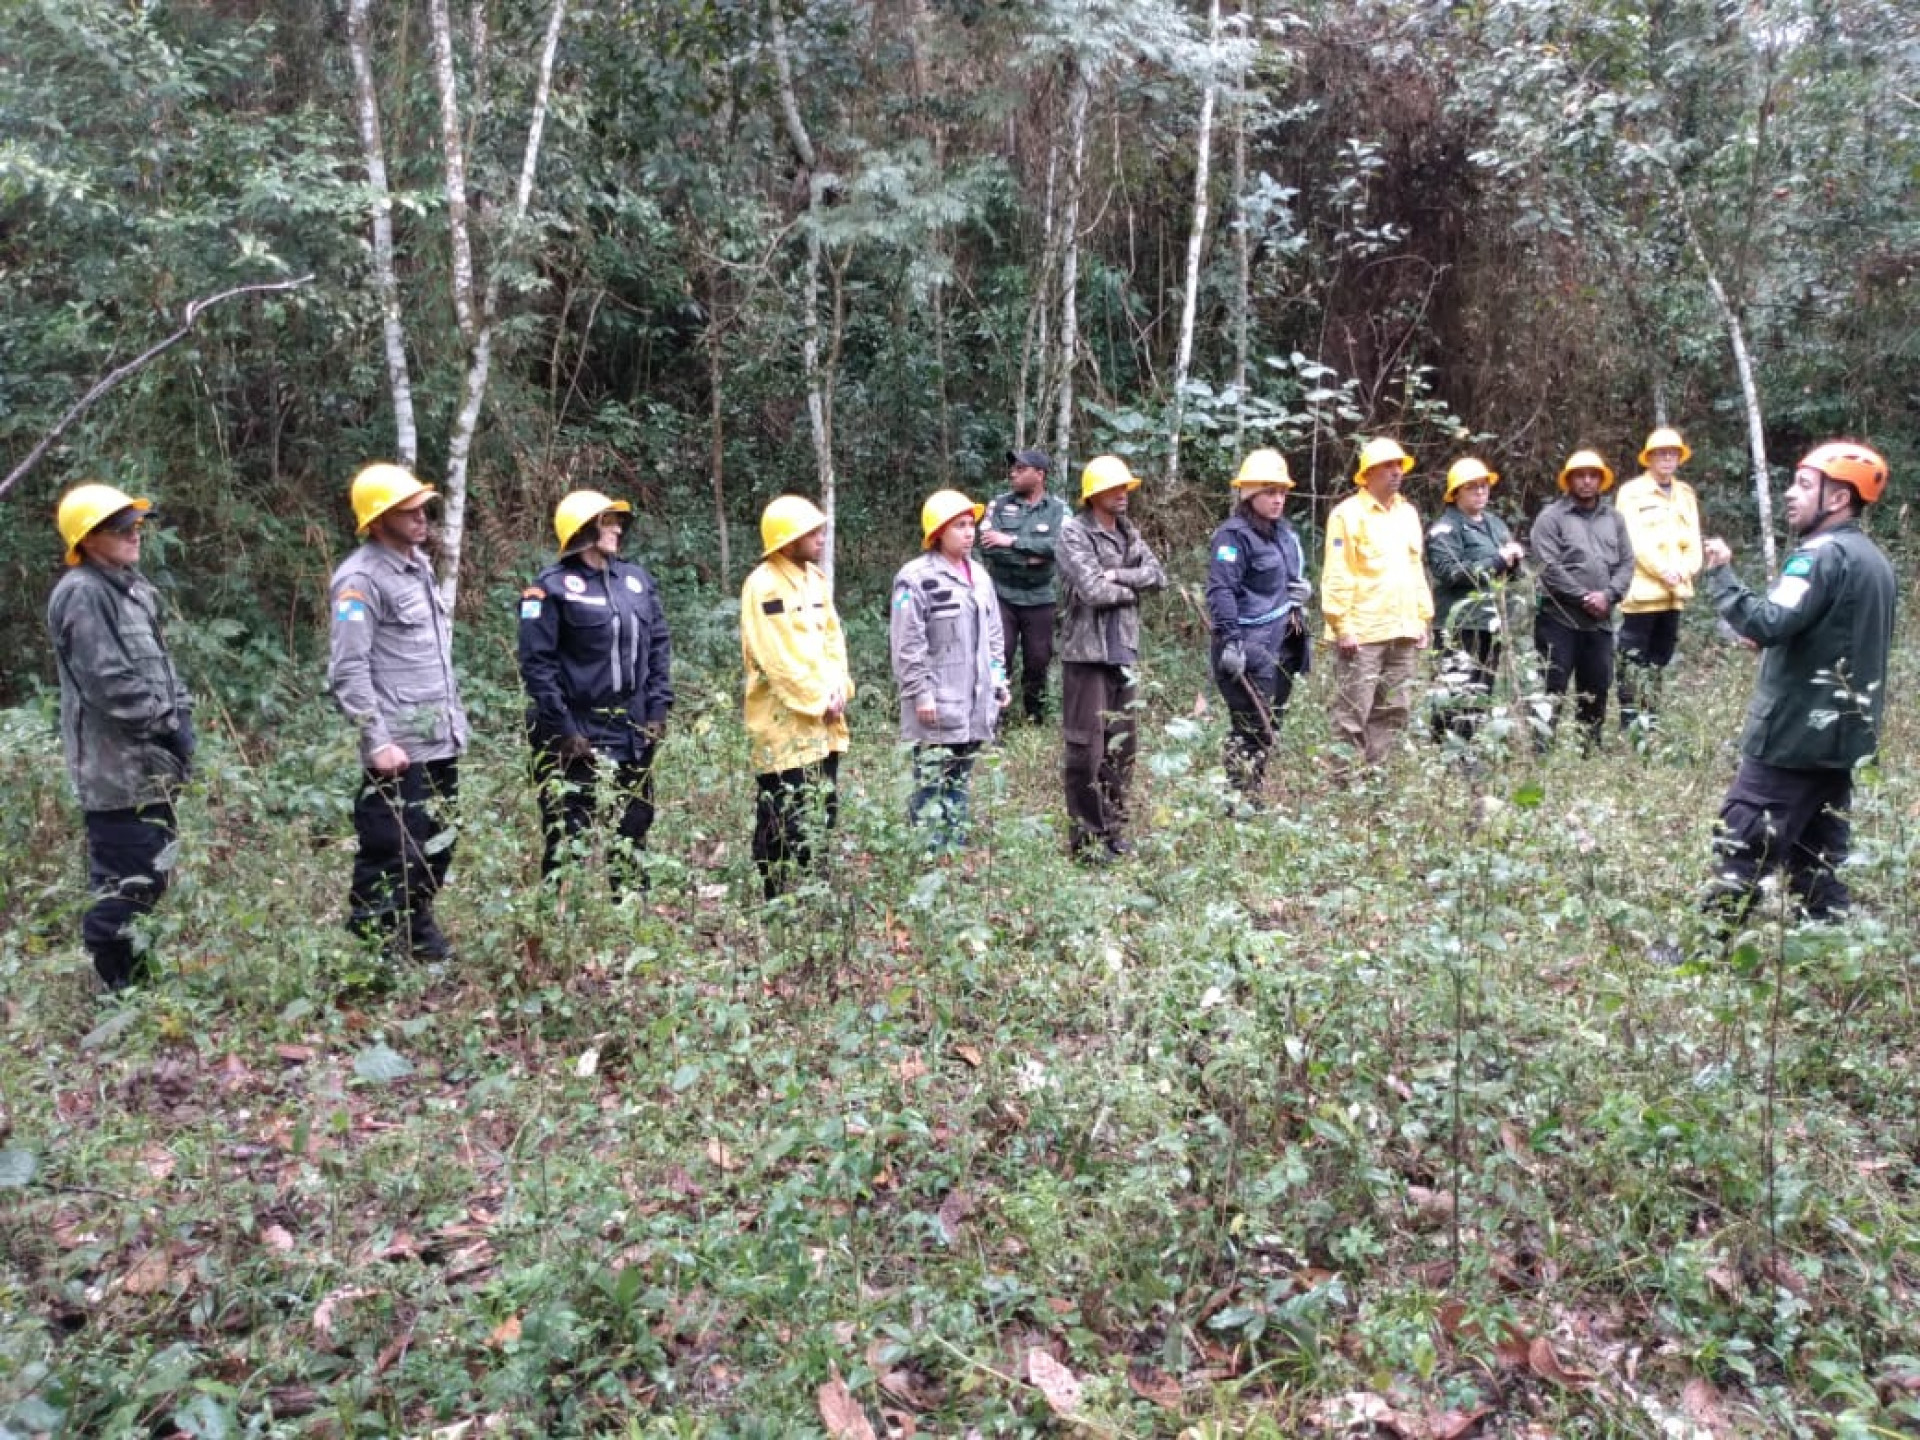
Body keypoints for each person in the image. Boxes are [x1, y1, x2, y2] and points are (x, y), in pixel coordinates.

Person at [1700, 441, 1895, 925]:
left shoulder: (1818, 556)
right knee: (1819, 852)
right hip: (1841, 738)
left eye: (1805, 486)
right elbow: (1827, 632)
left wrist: (1722, 574)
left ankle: (1708, 946)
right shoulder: (1874, 560)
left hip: (1792, 737)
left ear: (1838, 499)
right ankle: (1824, 939)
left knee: (1743, 838)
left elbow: (1766, 621)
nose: (1790, 493)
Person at [46, 482, 195, 990]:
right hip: (115, 773)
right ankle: (116, 988)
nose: (135, 534)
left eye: (136, 525)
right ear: (86, 539)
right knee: (125, 884)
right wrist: (166, 725)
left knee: (151, 876)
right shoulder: (82, 593)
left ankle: (138, 983)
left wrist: (182, 718)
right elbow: (108, 681)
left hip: (151, 767)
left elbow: (162, 667)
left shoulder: (132, 588)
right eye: (120, 527)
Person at [328, 463, 468, 961]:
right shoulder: (360, 580)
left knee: (438, 842)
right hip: (398, 747)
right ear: (378, 518)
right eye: (407, 511)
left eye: (422, 508)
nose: (420, 517)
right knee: (390, 847)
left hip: (439, 736)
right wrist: (378, 741)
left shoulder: (418, 566)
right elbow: (349, 668)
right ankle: (375, 951)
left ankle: (415, 926)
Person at [518, 488, 674, 891]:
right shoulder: (548, 589)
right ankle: (558, 914)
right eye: (608, 522)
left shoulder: (636, 581)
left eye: (618, 522)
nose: (618, 529)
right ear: (583, 528)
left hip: (632, 728)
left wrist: (657, 709)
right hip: (577, 729)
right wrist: (563, 729)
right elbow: (537, 666)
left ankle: (631, 908)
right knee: (567, 835)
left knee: (634, 826)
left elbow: (659, 646)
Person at [741, 495, 853, 898]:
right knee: (781, 814)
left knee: (822, 811)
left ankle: (812, 897)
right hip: (783, 725)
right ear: (788, 540)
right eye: (812, 532)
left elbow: (833, 640)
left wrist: (839, 689)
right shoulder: (764, 585)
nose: (821, 538)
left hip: (826, 723)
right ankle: (774, 897)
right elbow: (777, 659)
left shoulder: (815, 580)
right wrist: (819, 701)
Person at [1055, 455, 1166, 861]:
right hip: (1087, 656)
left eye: (1125, 487)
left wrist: (1118, 576)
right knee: (1086, 751)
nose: (1123, 494)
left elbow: (1158, 576)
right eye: (1114, 488)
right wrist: (1131, 588)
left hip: (1123, 651)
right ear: (1094, 494)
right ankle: (1086, 839)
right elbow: (1092, 591)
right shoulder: (1074, 533)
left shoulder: (1128, 533)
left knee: (1122, 747)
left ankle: (1113, 831)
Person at [889, 490, 1010, 851]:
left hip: (975, 698)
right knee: (931, 778)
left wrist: (998, 679)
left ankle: (954, 846)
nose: (969, 532)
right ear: (938, 532)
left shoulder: (981, 576)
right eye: (959, 526)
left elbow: (994, 635)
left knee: (960, 776)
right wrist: (920, 693)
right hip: (938, 698)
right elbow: (907, 642)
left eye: (971, 524)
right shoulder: (914, 578)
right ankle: (928, 850)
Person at [1320, 437, 1434, 770]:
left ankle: (1375, 783)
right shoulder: (1347, 515)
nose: (1396, 472)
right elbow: (1338, 572)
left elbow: (1415, 568)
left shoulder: (1407, 513)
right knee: (1352, 713)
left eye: (1399, 465)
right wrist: (1342, 626)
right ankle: (1343, 784)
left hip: (1403, 630)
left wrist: (1421, 619)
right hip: (1362, 635)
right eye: (1388, 466)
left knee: (1394, 711)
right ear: (1368, 473)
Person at [1205, 448, 1312, 799]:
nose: (1278, 499)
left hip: (1283, 644)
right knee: (1250, 726)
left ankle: (1253, 793)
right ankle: (1239, 800)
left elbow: (1286, 579)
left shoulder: (1283, 534)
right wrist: (1231, 640)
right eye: (1270, 492)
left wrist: (1299, 592)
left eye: (1282, 492)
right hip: (1248, 646)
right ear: (1250, 495)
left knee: (1270, 724)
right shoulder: (1232, 537)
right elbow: (1221, 589)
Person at [1530, 449, 1634, 750]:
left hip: (1600, 622)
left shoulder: (1614, 519)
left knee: (1597, 688)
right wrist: (1584, 597)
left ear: (1601, 480)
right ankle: (1542, 752)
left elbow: (1627, 562)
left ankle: (1589, 750)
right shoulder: (1551, 518)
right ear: (1569, 480)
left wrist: (1609, 596)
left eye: (1593, 476)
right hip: (1558, 620)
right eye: (1580, 475)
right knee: (1552, 687)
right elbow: (1547, 566)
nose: (1587, 481)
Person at [1426, 457, 1526, 743]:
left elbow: (1511, 573)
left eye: (1484, 486)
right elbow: (1450, 572)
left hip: (1491, 623)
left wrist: (1514, 560)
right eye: (1471, 487)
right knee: (1454, 689)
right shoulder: (1445, 529)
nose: (1480, 492)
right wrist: (1497, 561)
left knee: (1482, 690)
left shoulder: (1496, 524)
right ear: (1455, 493)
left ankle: (1470, 749)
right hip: (1460, 623)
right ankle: (1444, 749)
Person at [1616, 426, 1703, 732]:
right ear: (1649, 458)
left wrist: (1686, 570)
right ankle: (1629, 722)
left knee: (1659, 660)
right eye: (1661, 454)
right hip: (1642, 593)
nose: (1667, 459)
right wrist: (1661, 570)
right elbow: (1631, 538)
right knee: (1632, 660)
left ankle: (1651, 720)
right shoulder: (1631, 492)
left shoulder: (1685, 494)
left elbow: (1693, 540)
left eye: (1672, 454)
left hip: (1674, 594)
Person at [977, 448, 1071, 725]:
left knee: (1038, 659)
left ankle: (1034, 716)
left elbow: (1061, 546)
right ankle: (995, 718)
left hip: (1040, 598)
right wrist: (1032, 558)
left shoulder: (1059, 509)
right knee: (998, 655)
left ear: (1039, 475)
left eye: (1020, 469)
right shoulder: (998, 505)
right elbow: (988, 546)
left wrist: (1013, 542)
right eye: (1013, 468)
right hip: (1002, 595)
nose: (1012, 473)